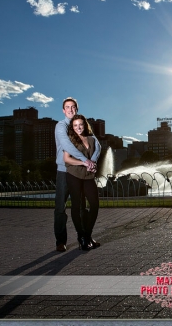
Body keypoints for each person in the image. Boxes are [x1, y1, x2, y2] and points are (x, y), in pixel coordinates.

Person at [54, 97, 100, 252]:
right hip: (64, 169)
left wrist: (90, 161)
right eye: (67, 107)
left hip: (80, 171)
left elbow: (96, 144)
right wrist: (85, 161)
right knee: (61, 206)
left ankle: (85, 237)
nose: (70, 109)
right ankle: (61, 241)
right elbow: (67, 146)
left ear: (77, 109)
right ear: (63, 110)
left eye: (73, 107)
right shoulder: (61, 126)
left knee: (81, 206)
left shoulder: (81, 124)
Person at [64, 114, 101, 251]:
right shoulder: (70, 140)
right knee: (77, 206)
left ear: (85, 125)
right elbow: (67, 159)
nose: (78, 127)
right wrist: (84, 163)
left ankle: (88, 234)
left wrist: (93, 164)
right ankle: (82, 237)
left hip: (88, 176)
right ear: (72, 128)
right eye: (75, 125)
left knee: (94, 205)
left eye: (80, 124)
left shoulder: (91, 139)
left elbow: (96, 154)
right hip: (74, 174)